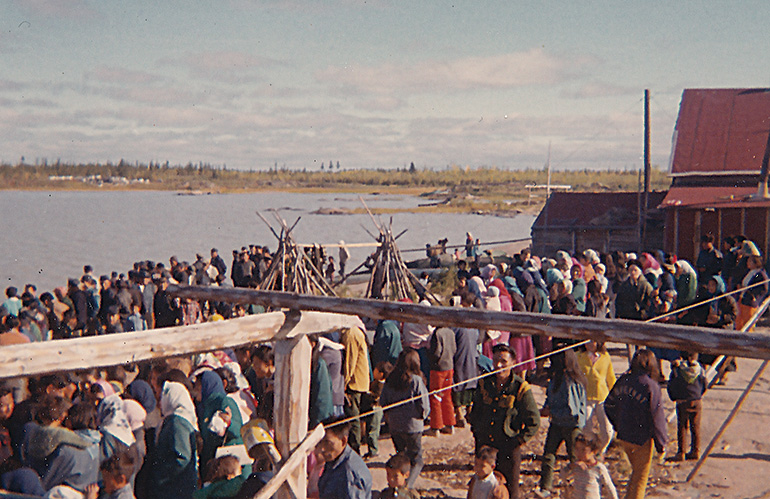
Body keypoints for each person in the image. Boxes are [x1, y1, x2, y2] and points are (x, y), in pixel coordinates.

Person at [469, 344, 540, 499]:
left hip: (508, 449)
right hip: (486, 447)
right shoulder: (484, 383)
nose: (498, 365)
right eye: (495, 361)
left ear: (513, 362)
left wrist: (518, 440)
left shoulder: (521, 387)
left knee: (509, 491)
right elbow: (476, 411)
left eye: (503, 361)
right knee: (481, 489)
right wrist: (477, 433)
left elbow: (534, 420)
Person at [603, 349, 668, 499]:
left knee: (635, 473)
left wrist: (617, 424)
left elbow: (608, 404)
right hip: (642, 439)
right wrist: (661, 444)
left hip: (624, 436)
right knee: (640, 479)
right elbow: (657, 418)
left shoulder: (623, 380)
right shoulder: (651, 386)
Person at [537, 350, 587, 495]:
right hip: (556, 424)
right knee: (548, 455)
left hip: (571, 426)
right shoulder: (555, 379)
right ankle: (545, 488)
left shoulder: (571, 382)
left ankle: (578, 488)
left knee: (575, 458)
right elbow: (550, 397)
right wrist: (546, 407)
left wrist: (551, 412)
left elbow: (573, 411)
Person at [379, 349, 429, 488]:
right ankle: (406, 487)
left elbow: (383, 401)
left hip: (395, 426)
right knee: (417, 461)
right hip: (413, 427)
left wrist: (389, 417)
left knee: (401, 459)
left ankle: (398, 484)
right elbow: (424, 404)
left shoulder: (390, 379)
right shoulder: (416, 380)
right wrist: (422, 418)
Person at [147, 381, 199, 499]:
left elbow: (182, 457)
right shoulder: (176, 419)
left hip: (174, 487)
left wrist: (162, 474)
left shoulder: (177, 422)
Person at [316, 417, 372, 499]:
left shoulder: (350, 474)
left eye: (327, 443)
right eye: (320, 442)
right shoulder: (334, 461)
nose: (322, 448)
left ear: (343, 441)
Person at [576, 341, 616, 454]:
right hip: (586, 397)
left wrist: (615, 396)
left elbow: (611, 377)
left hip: (603, 397)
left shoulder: (605, 357)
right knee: (585, 428)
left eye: (592, 341)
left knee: (607, 430)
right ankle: (592, 448)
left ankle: (601, 450)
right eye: (586, 340)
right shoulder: (578, 357)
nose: (588, 343)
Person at [667, 352, 706, 461]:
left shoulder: (677, 371)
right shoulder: (700, 370)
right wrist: (699, 395)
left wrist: (674, 397)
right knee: (696, 427)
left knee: (682, 427)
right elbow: (705, 384)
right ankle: (695, 451)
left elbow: (671, 385)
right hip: (696, 400)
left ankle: (681, 452)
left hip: (682, 401)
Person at [563, 433, 618, 499]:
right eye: (577, 449)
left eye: (583, 450)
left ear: (594, 451)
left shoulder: (598, 468)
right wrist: (571, 466)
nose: (579, 453)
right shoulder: (576, 466)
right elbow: (563, 476)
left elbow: (609, 486)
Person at [427, 326, 456, 435]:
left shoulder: (437, 333)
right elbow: (454, 349)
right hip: (449, 367)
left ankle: (436, 427)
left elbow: (436, 353)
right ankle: (449, 424)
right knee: (447, 396)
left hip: (438, 369)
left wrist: (428, 353)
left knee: (435, 397)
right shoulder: (450, 331)